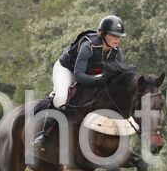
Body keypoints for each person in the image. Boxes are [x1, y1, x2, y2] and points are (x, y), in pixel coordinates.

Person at [32, 15, 126, 151]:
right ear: (103, 34)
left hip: (91, 74)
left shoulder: (117, 53)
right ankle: (44, 134)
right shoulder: (89, 46)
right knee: (61, 99)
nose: (116, 39)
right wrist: (100, 80)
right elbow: (79, 76)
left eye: (118, 36)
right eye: (113, 35)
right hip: (68, 70)